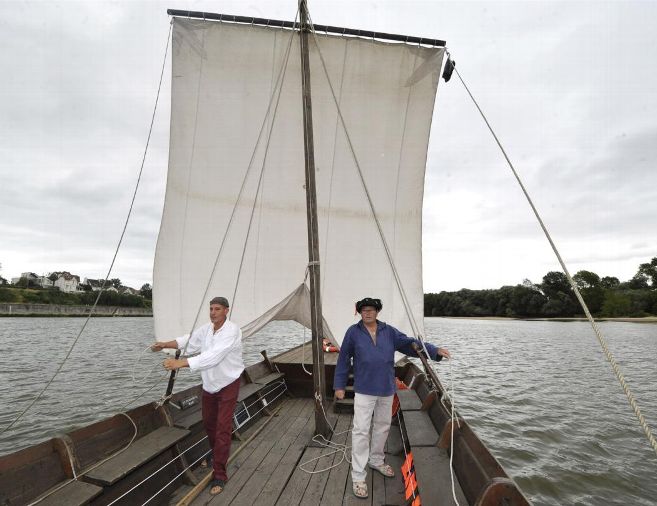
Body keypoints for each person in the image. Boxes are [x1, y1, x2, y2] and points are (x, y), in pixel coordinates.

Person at [333, 297, 450, 499]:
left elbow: (410, 344)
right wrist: (339, 386)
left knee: (382, 426)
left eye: (371, 310)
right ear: (360, 313)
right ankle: (358, 476)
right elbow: (343, 358)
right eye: (364, 310)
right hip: (364, 389)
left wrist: (434, 350)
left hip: (386, 388)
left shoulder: (389, 331)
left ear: (377, 312)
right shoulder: (353, 332)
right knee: (361, 430)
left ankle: (376, 460)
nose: (367, 313)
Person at [151, 296, 244, 496]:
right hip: (210, 385)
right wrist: (164, 344)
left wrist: (181, 364)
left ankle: (219, 473)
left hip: (228, 383)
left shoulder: (232, 331)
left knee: (222, 428)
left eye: (217, 309)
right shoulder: (206, 329)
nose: (213, 312)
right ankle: (216, 455)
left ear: (226, 311)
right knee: (210, 424)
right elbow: (188, 340)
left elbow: (214, 357)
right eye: (211, 308)